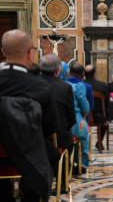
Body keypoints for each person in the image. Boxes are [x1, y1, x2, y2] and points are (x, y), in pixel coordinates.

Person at [0, 29, 60, 202]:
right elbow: (51, 126)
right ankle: (30, 194)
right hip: (31, 154)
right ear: (31, 53)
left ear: (3, 52)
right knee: (53, 155)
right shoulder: (41, 87)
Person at [40, 54, 76, 192]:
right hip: (58, 133)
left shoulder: (33, 83)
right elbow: (71, 116)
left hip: (34, 133)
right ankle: (61, 183)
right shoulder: (65, 87)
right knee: (69, 144)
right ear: (58, 70)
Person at [66, 74, 91, 171]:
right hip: (73, 124)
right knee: (83, 132)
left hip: (49, 125)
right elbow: (85, 108)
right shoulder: (76, 87)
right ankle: (82, 163)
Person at [84, 65, 109, 150]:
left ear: (84, 74)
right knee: (104, 121)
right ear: (95, 74)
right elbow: (107, 103)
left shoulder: (80, 85)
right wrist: (108, 116)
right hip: (99, 117)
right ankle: (99, 141)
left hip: (83, 116)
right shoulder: (102, 85)